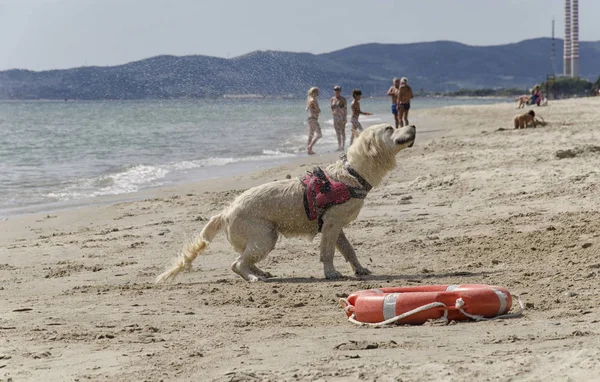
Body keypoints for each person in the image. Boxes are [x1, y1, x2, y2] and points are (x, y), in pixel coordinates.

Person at [330, 85, 348, 151]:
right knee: (337, 132)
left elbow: (346, 109)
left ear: (340, 91)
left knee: (342, 132)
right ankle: (339, 146)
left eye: (338, 90)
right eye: (335, 90)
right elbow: (331, 108)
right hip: (335, 117)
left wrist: (345, 118)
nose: (337, 91)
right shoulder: (332, 99)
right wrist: (334, 113)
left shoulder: (343, 99)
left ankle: (343, 146)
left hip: (342, 117)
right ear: (334, 91)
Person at [306, 87, 322, 155]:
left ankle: (309, 151)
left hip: (310, 119)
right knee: (319, 135)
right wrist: (318, 110)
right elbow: (318, 110)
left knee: (311, 135)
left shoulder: (309, 100)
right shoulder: (313, 100)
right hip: (313, 119)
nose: (318, 93)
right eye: (317, 92)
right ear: (314, 92)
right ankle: (310, 147)